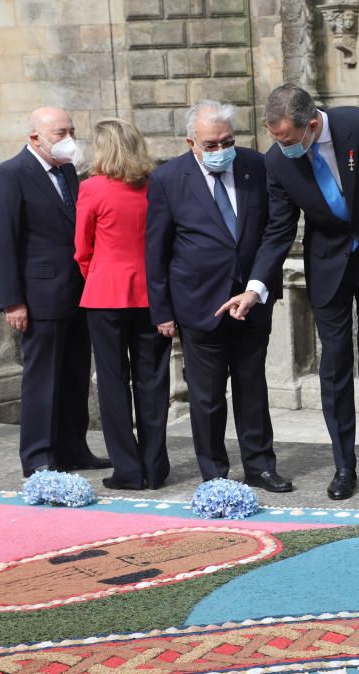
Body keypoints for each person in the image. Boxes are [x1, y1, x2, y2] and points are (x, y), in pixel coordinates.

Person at [223, 84, 359, 501]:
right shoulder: (279, 161)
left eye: (287, 138)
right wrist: (254, 288)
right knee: (336, 365)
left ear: (311, 125)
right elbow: (278, 230)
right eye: (275, 138)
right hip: (328, 266)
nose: (281, 146)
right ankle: (345, 464)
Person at [145, 100, 292, 493]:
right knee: (207, 398)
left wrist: (257, 288)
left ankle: (260, 467)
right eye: (210, 144)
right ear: (191, 142)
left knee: (252, 387)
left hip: (251, 301)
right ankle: (214, 474)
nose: (220, 150)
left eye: (227, 141)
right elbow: (156, 251)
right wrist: (161, 311)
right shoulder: (167, 179)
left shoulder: (255, 165)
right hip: (199, 303)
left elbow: (272, 230)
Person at [0, 107, 109, 478]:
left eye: (71, 129)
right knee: (42, 379)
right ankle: (38, 456)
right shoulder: (10, 175)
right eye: (60, 132)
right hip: (38, 296)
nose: (69, 137)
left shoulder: (68, 171)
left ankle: (74, 449)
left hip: (77, 292)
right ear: (35, 137)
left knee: (75, 373)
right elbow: (1, 243)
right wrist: (12, 301)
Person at [74, 118, 171, 490]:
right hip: (151, 295)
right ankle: (155, 467)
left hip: (105, 294)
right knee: (152, 382)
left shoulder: (92, 188)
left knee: (113, 383)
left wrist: (97, 274)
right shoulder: (155, 186)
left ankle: (128, 470)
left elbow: (82, 249)